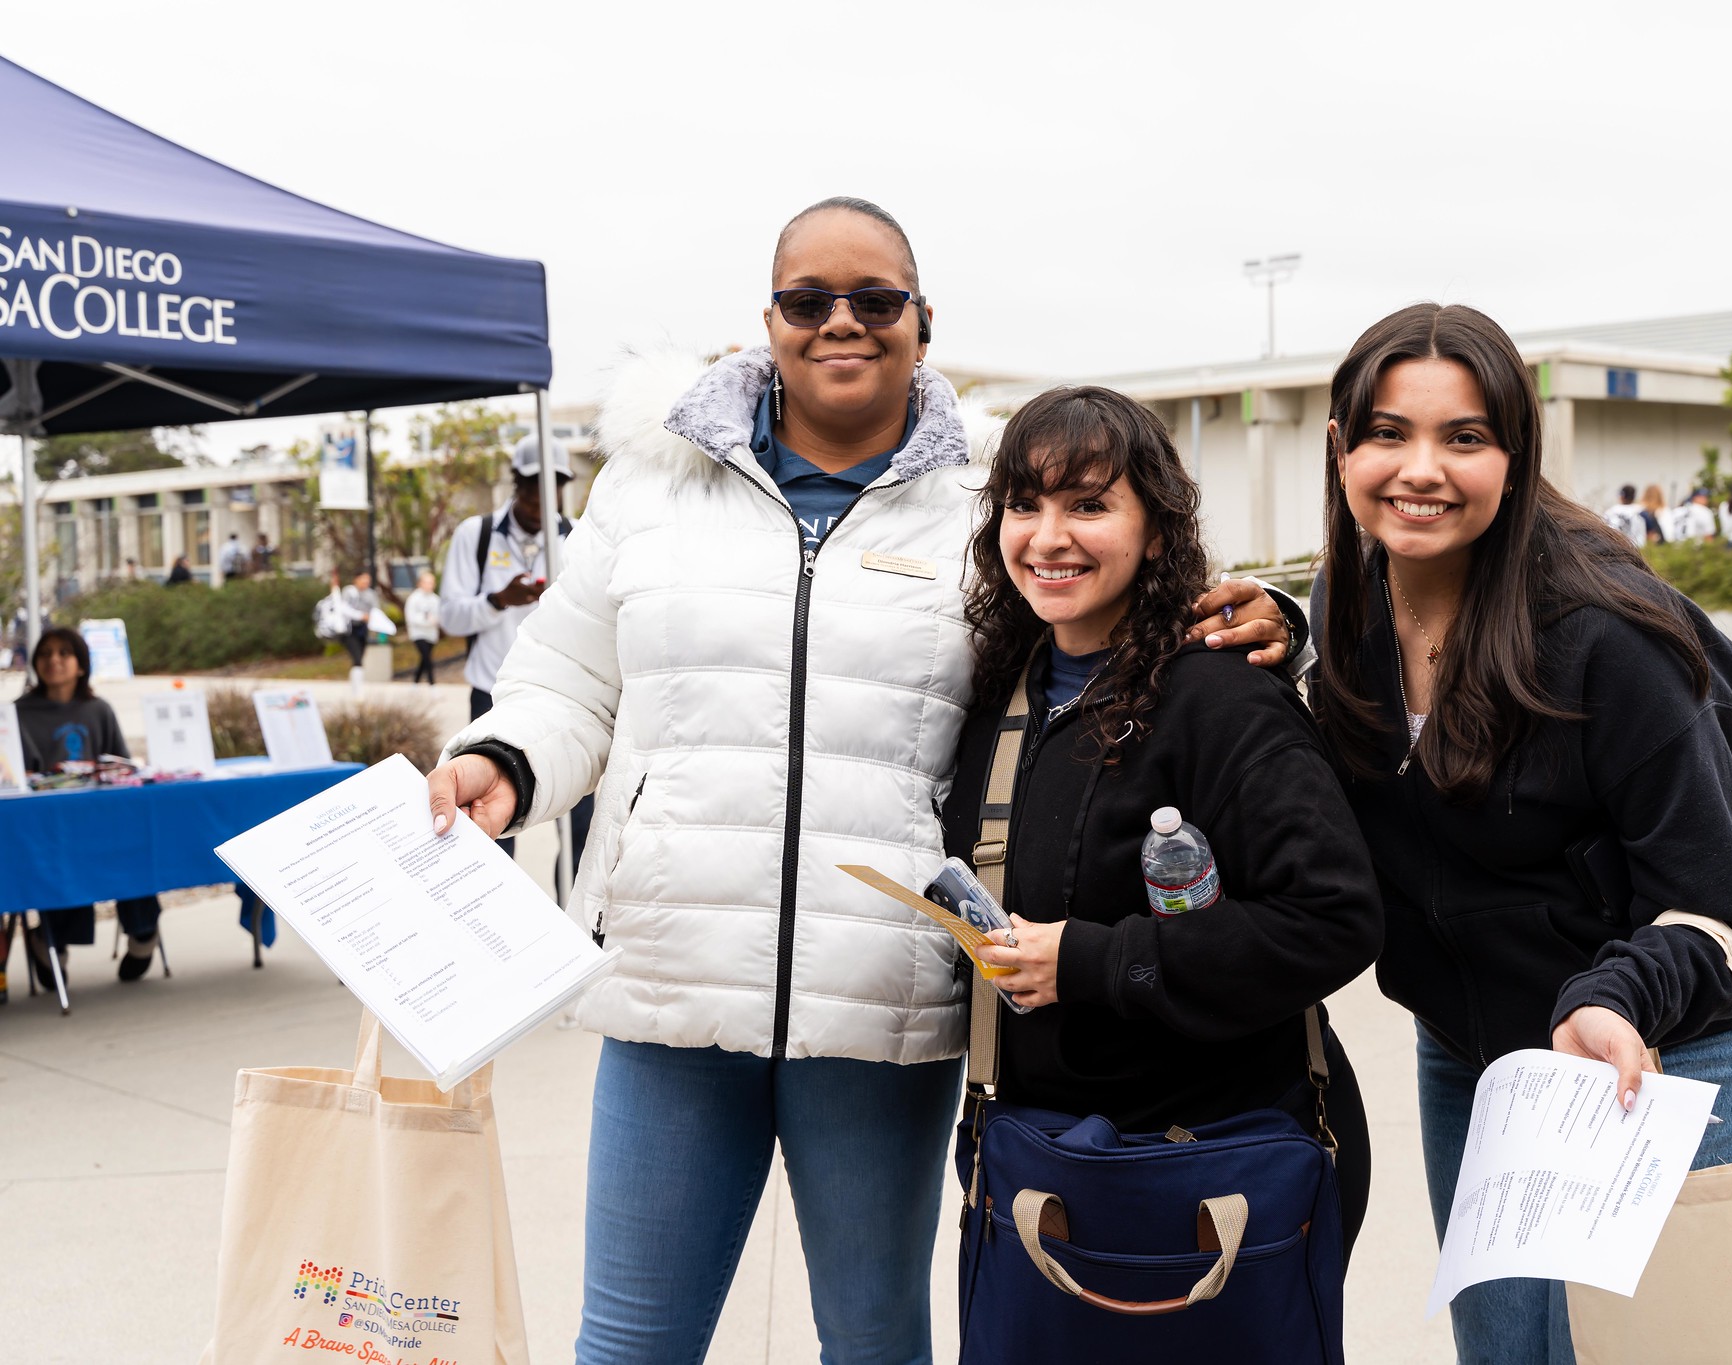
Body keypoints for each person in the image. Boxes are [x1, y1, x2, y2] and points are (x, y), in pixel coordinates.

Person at [424, 197, 1289, 1365]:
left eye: (875, 300)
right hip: (671, 975)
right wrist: (503, 761)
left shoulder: (995, 489)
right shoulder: (650, 484)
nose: (842, 322)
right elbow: (569, 679)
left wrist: (1271, 614)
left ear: (921, 323)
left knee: (875, 1340)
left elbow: (1125, 600)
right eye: (807, 300)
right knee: (629, 1342)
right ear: (766, 322)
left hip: (879, 992)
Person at [1311, 303, 1732, 1363]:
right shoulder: (1339, 624)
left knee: (1641, 1352)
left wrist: (1610, 995)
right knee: (1505, 1351)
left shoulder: (1605, 638)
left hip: (1656, 1050)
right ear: (1340, 449)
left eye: (1464, 437)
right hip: (1478, 1048)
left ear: (1515, 456)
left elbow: (1721, 909)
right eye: (1387, 433)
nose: (1420, 468)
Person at [948, 386, 1381, 1262]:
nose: (1048, 535)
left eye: (1089, 503)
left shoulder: (1223, 697)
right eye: (1023, 504)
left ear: (1157, 528)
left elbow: (1334, 918)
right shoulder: (999, 693)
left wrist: (1091, 960)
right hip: (1043, 1179)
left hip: (1215, 1184)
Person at [434, 433, 593, 867]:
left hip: (566, 697)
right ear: (515, 483)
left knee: (582, 824)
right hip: (492, 694)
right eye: (532, 484)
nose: (542, 497)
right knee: (491, 821)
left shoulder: (578, 538)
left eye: (553, 485)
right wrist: (497, 600)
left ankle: (571, 925)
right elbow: (449, 617)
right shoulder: (477, 535)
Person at [11, 626, 167, 986]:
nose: (54, 661)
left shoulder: (99, 710)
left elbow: (121, 768)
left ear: (81, 665)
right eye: (46, 654)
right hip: (47, 826)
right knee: (62, 857)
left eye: (64, 654)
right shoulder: (17, 713)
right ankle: (50, 941)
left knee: (134, 847)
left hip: (101, 819)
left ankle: (143, 933)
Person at [405, 571, 441, 685]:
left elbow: (440, 616)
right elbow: (411, 617)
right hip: (418, 633)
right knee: (427, 658)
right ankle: (432, 684)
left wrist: (434, 621)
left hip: (431, 634)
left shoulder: (435, 599)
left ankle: (415, 683)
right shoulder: (413, 598)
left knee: (424, 660)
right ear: (420, 583)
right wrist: (427, 621)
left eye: (431, 583)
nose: (429, 585)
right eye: (426, 582)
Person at [1601, 483, 1648, 548]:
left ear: (1622, 496)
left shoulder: (1610, 512)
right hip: (1636, 548)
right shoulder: (1641, 511)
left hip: (1613, 547)